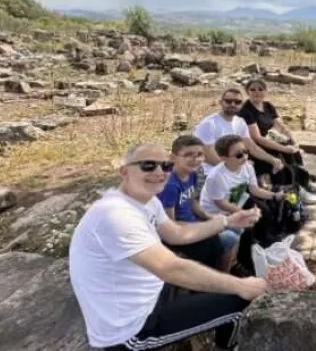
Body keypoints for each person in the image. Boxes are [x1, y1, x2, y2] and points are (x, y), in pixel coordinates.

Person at [68, 142, 267, 351]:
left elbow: (177, 233)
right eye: (148, 165)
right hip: (131, 331)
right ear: (124, 171)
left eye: (165, 166)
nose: (159, 172)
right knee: (240, 301)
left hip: (149, 295)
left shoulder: (147, 201)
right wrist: (241, 285)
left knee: (211, 246)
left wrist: (227, 222)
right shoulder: (115, 215)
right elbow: (170, 268)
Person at [199, 134, 283, 269]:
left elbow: (255, 190)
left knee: (265, 212)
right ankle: (241, 263)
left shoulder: (247, 167)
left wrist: (274, 195)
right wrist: (244, 213)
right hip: (217, 212)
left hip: (236, 200)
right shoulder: (216, 177)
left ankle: (262, 244)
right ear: (224, 158)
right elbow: (221, 204)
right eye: (238, 155)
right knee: (246, 229)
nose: (244, 157)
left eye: (245, 152)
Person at [156, 135, 236, 270]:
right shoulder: (170, 185)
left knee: (235, 226)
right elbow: (169, 224)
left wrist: (210, 217)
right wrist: (204, 227)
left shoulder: (193, 173)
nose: (196, 160)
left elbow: (192, 203)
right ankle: (217, 278)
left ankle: (229, 267)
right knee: (230, 237)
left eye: (200, 154)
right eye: (188, 155)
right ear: (173, 157)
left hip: (193, 223)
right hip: (178, 235)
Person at [238, 78, 316, 204]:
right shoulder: (246, 111)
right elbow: (257, 138)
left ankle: (303, 182)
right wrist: (283, 148)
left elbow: (281, 126)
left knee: (294, 152)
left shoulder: (268, 106)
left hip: (270, 141)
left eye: (260, 89)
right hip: (257, 149)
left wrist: (293, 141)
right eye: (252, 89)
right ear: (247, 92)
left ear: (265, 91)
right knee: (281, 160)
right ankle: (292, 192)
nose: (256, 92)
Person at [193, 88, 285, 183]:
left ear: (241, 105)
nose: (233, 104)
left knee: (276, 165)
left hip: (232, 168)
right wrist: (237, 168)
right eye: (228, 101)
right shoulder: (208, 124)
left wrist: (272, 160)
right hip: (210, 173)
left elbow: (251, 146)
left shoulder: (240, 122)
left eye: (237, 102)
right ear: (221, 102)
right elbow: (209, 156)